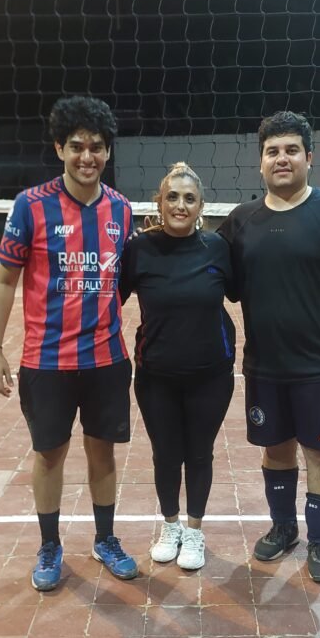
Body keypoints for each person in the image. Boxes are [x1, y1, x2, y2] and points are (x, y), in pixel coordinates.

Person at [219, 111, 320, 583]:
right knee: (275, 451)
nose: (282, 158)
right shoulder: (241, 221)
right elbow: (205, 270)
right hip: (265, 366)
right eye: (272, 151)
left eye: (291, 150)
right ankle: (284, 527)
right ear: (260, 162)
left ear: (309, 157)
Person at [0, 95, 138, 590]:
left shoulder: (121, 209)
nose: (86, 157)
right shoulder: (31, 205)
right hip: (46, 360)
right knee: (49, 454)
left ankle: (105, 539)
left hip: (106, 358)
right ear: (59, 148)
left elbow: (126, 280)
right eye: (77, 146)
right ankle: (50, 545)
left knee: (102, 453)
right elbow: (5, 280)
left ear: (108, 151)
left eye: (96, 147)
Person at [120, 162, 236, 570]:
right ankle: (171, 526)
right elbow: (109, 299)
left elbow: (242, 292)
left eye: (189, 198)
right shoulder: (139, 250)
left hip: (211, 375)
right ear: (160, 203)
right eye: (173, 197)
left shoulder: (217, 248)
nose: (180, 205)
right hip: (156, 376)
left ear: (201, 206)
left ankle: (195, 531)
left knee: (199, 453)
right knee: (166, 454)